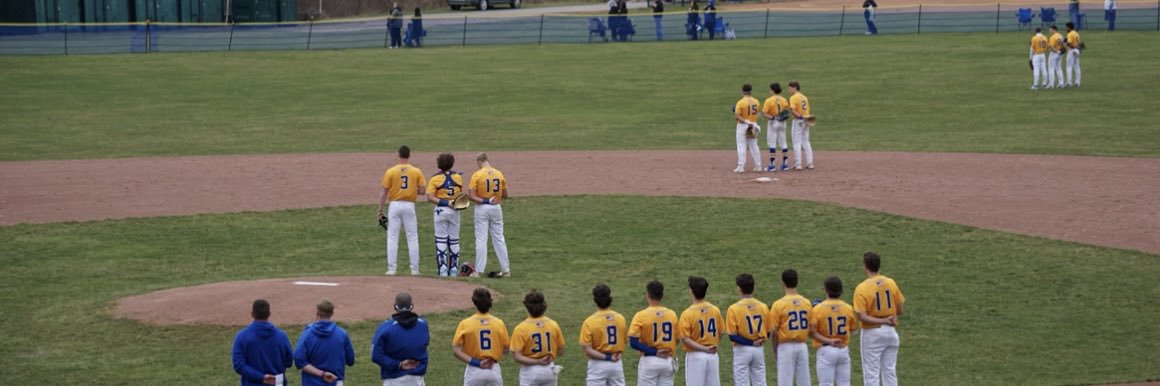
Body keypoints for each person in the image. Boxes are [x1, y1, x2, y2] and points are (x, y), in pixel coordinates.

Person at [853, 252, 906, 386]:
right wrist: (888, 318)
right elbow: (900, 309)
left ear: (865, 266)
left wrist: (882, 320)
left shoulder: (862, 288)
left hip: (872, 334)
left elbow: (862, 316)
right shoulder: (891, 283)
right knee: (889, 372)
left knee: (871, 374)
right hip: (891, 333)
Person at [378, 145, 426, 276]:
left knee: (392, 237)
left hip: (394, 205)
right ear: (409, 156)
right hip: (409, 206)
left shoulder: (391, 171)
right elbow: (422, 191)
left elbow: (383, 192)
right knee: (412, 237)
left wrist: (380, 210)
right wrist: (411, 189)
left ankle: (391, 269)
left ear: (398, 155)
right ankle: (415, 269)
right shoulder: (416, 171)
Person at [453, 287, 510, 386]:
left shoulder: (465, 323)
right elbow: (506, 350)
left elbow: (456, 351)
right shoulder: (499, 323)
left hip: (474, 370)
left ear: (474, 302)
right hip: (493, 369)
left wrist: (478, 363)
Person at [810, 277, 859, 386]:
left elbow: (812, 332)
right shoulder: (848, 308)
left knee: (826, 384)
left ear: (826, 290)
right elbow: (854, 330)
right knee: (845, 383)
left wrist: (830, 340)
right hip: (843, 349)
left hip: (825, 350)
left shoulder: (818, 309)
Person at [294, 299, 356, 386]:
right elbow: (350, 360)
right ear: (332, 313)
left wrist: (322, 374)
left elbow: (299, 361)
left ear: (317, 313)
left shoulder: (307, 335)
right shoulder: (342, 334)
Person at [373, 292, 430, 386]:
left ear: (395, 307)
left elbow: (376, 355)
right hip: (417, 380)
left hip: (393, 380)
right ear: (412, 306)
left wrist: (398, 364)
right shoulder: (423, 325)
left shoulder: (386, 327)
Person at [629, 280, 679, 386]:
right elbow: (677, 339)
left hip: (649, 361)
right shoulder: (672, 314)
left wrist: (655, 352)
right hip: (667, 361)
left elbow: (633, 342)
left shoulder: (641, 315)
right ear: (662, 295)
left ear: (648, 295)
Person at [468, 152, 511, 278]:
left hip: (482, 208)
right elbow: (506, 194)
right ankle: (506, 269)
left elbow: (471, 195)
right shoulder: (499, 173)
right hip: (496, 207)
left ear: (479, 162)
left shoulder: (477, 175)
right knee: (499, 238)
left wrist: (485, 200)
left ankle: (479, 270)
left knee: (481, 239)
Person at [232, 299, 293, 386]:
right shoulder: (282, 336)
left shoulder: (241, 336)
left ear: (252, 314)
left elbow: (239, 365)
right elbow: (289, 362)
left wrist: (261, 377)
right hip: (276, 383)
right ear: (269, 314)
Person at [511, 290, 566, 386]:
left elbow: (517, 357)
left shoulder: (520, 328)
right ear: (544, 306)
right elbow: (561, 351)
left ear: (527, 307)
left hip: (530, 371)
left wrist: (538, 361)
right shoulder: (553, 325)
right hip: (549, 370)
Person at [768, 269, 811, 386]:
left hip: (785, 346)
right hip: (802, 346)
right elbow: (811, 327)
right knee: (804, 382)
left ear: (783, 283)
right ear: (797, 282)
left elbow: (774, 332)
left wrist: (775, 350)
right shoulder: (806, 302)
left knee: (785, 382)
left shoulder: (778, 304)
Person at [725, 274, 770, 386]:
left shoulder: (733, 308)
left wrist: (751, 343)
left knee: (741, 383)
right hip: (759, 349)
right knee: (760, 383)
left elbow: (732, 336)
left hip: (742, 350)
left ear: (739, 289)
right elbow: (769, 330)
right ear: (753, 287)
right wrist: (761, 340)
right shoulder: (763, 306)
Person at [579, 284, 628, 386]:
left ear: (595, 300)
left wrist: (607, 357)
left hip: (597, 365)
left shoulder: (589, 321)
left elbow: (588, 349)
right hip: (616, 364)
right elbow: (624, 340)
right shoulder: (620, 318)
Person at [678, 276, 723, 386]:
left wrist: (703, 348)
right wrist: (711, 345)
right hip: (713, 356)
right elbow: (721, 332)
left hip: (696, 356)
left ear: (691, 291)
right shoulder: (715, 309)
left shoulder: (687, 313)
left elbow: (685, 339)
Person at [426, 153, 466, 277]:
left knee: (441, 240)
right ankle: (453, 269)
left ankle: (443, 270)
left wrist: (445, 202)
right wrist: (452, 202)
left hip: (440, 211)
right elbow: (460, 195)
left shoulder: (435, 179)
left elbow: (429, 197)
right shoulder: (458, 177)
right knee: (454, 241)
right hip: (455, 211)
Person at [762, 82, 791, 172]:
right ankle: (785, 164)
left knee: (772, 144)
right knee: (783, 143)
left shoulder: (769, 100)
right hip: (782, 123)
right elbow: (786, 112)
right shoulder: (784, 100)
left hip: (773, 123)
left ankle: (772, 165)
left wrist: (773, 118)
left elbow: (765, 113)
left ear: (773, 90)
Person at [733, 84, 762, 173]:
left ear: (742, 91)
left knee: (741, 146)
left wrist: (746, 122)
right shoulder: (756, 101)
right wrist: (752, 122)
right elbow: (758, 113)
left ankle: (741, 167)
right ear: (751, 91)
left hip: (743, 126)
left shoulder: (740, 102)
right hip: (753, 124)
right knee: (754, 146)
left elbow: (737, 116)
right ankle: (758, 166)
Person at [787, 81, 813, 170]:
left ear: (794, 87)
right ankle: (810, 163)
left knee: (796, 142)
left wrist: (799, 117)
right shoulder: (804, 97)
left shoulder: (793, 97)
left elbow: (793, 110)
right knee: (806, 141)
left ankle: (798, 164)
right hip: (807, 119)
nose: (789, 90)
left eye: (790, 88)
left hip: (799, 120)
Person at [1065, 22, 1082, 88]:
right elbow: (1080, 42)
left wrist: (1065, 44)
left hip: (1072, 51)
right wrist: (1079, 49)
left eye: (1066, 27)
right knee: (1077, 67)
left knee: (1069, 67)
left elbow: (1069, 43)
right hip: (1077, 50)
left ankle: (1069, 83)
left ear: (1069, 27)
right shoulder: (1076, 33)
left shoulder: (1070, 34)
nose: (1066, 29)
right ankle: (1077, 82)